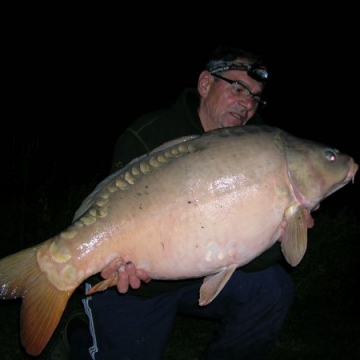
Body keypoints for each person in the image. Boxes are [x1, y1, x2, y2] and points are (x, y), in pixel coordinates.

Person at [49, 45, 294, 360]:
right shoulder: (153, 132)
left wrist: (280, 231)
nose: (247, 103)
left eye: (255, 96)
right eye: (237, 87)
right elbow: (109, 218)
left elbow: (254, 257)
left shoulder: (262, 149)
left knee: (272, 289)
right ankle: (79, 335)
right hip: (141, 287)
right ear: (205, 84)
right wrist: (117, 264)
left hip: (198, 274)